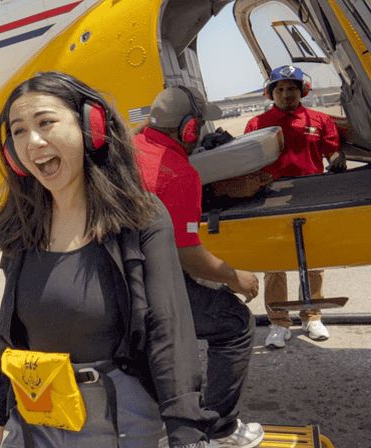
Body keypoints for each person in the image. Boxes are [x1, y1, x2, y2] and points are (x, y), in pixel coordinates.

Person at [0, 72, 218, 448]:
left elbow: (168, 332)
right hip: (36, 409)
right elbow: (15, 335)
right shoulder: (22, 229)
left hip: (115, 418)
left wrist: (187, 434)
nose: (33, 141)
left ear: (90, 126)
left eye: (45, 122)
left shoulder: (141, 218)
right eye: (18, 131)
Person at [132, 86, 264, 448]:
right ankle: (220, 429)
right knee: (235, 323)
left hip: (114, 274)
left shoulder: (128, 149)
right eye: (199, 128)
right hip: (145, 284)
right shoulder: (178, 173)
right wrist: (235, 278)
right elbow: (186, 252)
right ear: (188, 129)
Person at [244, 65, 346, 348]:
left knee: (314, 261)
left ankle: (312, 317)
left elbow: (331, 151)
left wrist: (337, 158)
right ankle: (278, 322)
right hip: (271, 198)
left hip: (311, 196)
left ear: (302, 91)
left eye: (292, 89)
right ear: (271, 93)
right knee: (274, 265)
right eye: (280, 89)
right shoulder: (256, 124)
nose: (286, 94)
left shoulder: (321, 120)